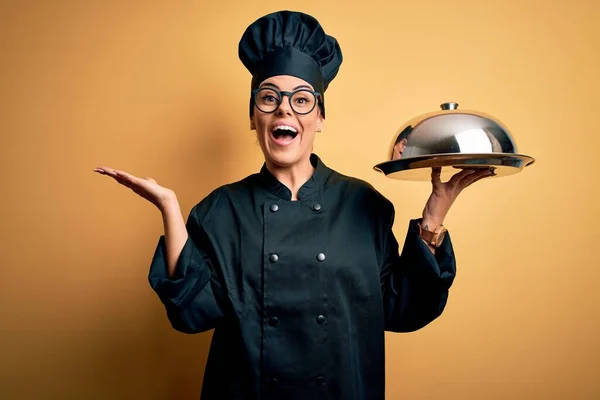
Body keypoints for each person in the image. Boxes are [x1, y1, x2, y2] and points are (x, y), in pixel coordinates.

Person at [94, 10, 493, 400]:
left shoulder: (363, 204)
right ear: (254, 117)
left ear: (319, 117)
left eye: (301, 99)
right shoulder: (221, 210)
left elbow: (401, 308)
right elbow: (192, 314)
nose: (284, 108)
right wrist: (170, 209)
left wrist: (434, 214)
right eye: (269, 98)